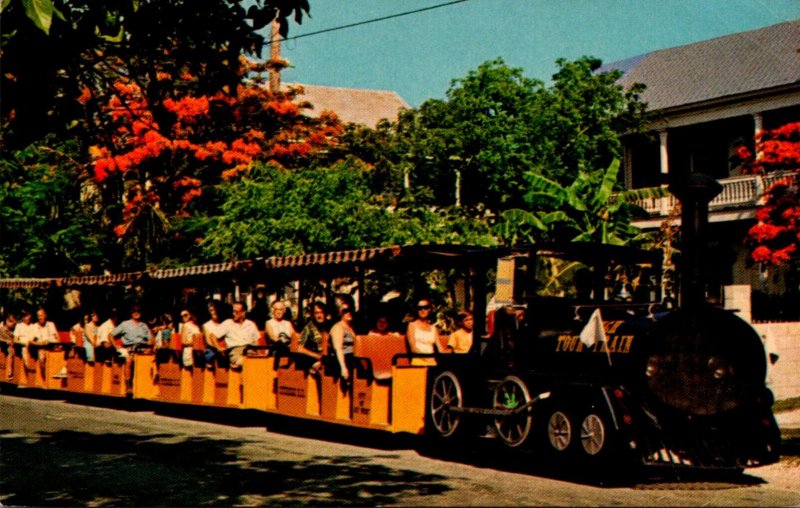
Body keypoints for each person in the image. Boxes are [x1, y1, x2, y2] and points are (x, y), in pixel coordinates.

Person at [218, 301, 259, 369]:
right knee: (245, 363)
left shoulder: (251, 324)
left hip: (250, 351)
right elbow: (212, 336)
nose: (233, 314)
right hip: (235, 351)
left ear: (243, 312)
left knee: (261, 363)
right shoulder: (227, 323)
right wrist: (218, 347)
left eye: (236, 312)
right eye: (233, 311)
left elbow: (256, 342)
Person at [329, 297, 356, 382]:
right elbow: (338, 349)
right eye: (345, 311)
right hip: (343, 362)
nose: (349, 313)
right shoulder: (338, 327)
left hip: (353, 359)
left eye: (351, 309)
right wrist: (343, 368)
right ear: (340, 313)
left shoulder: (351, 327)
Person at [297, 301, 329, 373]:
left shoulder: (330, 325)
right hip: (314, 357)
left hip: (328, 356)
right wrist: (318, 357)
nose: (319, 315)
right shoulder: (308, 327)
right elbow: (299, 348)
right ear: (313, 315)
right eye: (316, 313)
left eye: (321, 312)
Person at [202, 301, 226, 367]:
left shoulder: (225, 323)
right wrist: (219, 348)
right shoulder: (207, 325)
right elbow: (209, 342)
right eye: (211, 310)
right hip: (212, 350)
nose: (213, 312)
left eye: (215, 310)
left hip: (224, 349)